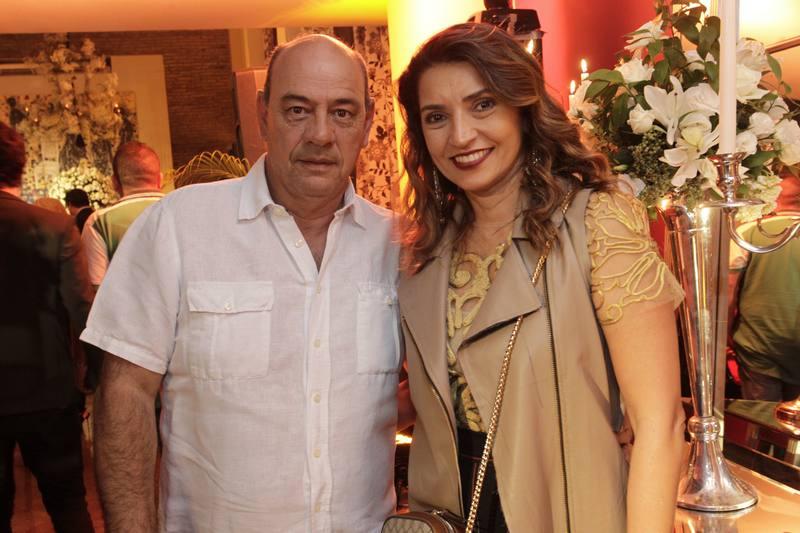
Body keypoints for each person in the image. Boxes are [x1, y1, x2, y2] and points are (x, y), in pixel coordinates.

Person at [81, 35, 406, 532]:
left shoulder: (398, 246)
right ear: (263, 114)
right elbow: (125, 392)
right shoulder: (180, 227)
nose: (321, 134)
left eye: (342, 113)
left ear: (366, 124)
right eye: (298, 110)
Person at [395, 23, 685, 533]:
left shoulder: (597, 222)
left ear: (522, 108)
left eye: (483, 104)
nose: (460, 136)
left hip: (569, 511)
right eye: (436, 117)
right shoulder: (424, 251)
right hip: (450, 514)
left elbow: (660, 426)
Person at [0, 122, 95, 533]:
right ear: (21, 166)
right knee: (69, 504)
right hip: (48, 385)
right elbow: (81, 307)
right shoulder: (55, 227)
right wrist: (90, 376)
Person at [729, 174, 800, 401]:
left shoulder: (748, 233)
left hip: (758, 345)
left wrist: (724, 337)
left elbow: (728, 291)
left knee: (760, 416)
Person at [81, 141, 164, 289]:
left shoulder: (99, 222)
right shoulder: (184, 210)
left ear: (114, 182)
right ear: (160, 179)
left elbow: (96, 287)